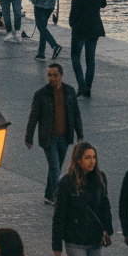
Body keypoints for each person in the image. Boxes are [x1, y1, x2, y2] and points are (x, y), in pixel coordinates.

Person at [25, 62, 84, 205]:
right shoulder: (40, 94)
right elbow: (33, 117)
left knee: (54, 168)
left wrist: (80, 134)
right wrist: (29, 137)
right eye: (49, 75)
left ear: (61, 76)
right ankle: (60, 198)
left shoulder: (69, 91)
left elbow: (76, 114)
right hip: (48, 138)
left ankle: (49, 196)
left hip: (64, 137)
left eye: (55, 75)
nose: (51, 78)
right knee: (55, 168)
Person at [68, 0, 107, 97]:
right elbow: (103, 5)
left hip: (79, 30)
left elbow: (73, 14)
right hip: (94, 29)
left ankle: (81, 85)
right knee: (90, 59)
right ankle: (88, 87)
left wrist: (72, 25)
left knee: (75, 56)